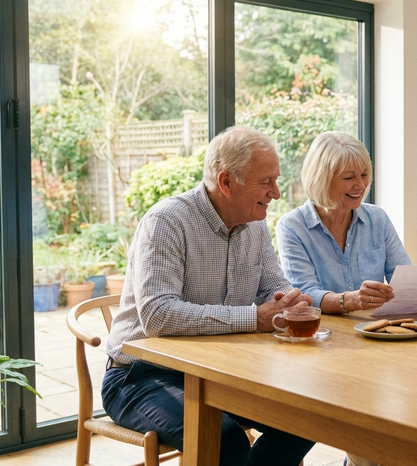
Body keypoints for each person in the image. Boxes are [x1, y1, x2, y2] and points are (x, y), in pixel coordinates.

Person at [102, 126, 316, 466]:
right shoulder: (167, 221)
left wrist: (293, 303)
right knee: (224, 437)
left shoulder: (256, 226)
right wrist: (255, 317)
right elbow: (158, 315)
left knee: (307, 417)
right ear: (227, 182)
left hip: (220, 372)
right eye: (266, 182)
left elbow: (274, 289)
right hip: (141, 376)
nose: (276, 193)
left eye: (275, 180)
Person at [276, 131, 417, 317]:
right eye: (349, 178)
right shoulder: (292, 227)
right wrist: (352, 300)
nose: (361, 185)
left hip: (373, 328)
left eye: (364, 174)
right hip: (324, 331)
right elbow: (305, 293)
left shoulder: (377, 218)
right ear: (321, 178)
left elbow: (404, 279)